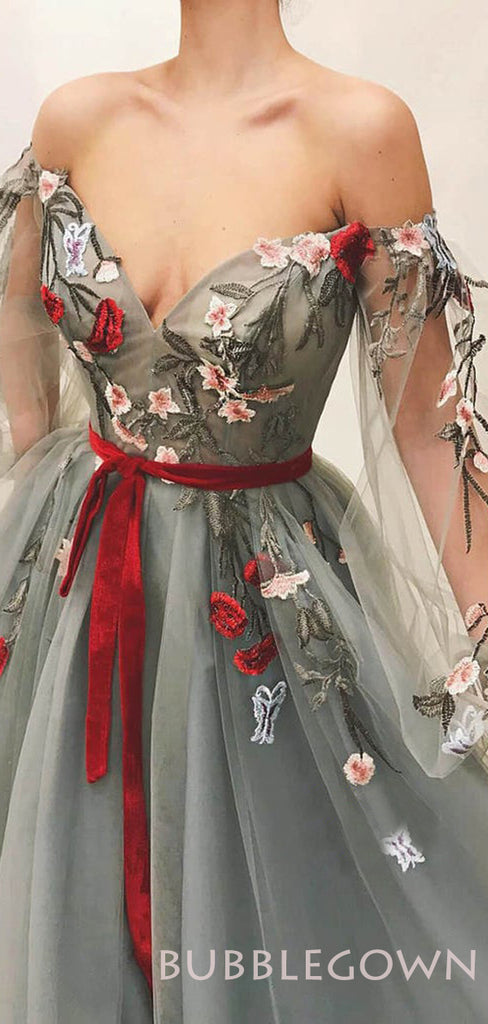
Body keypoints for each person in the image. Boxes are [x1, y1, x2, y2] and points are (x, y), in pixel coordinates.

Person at [0, 0, 487, 1020]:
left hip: (260, 591)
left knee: (284, 916)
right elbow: (19, 329)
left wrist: (479, 633)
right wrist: (31, 491)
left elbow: (425, 425)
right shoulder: (76, 120)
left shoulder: (359, 130)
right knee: (75, 908)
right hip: (78, 577)